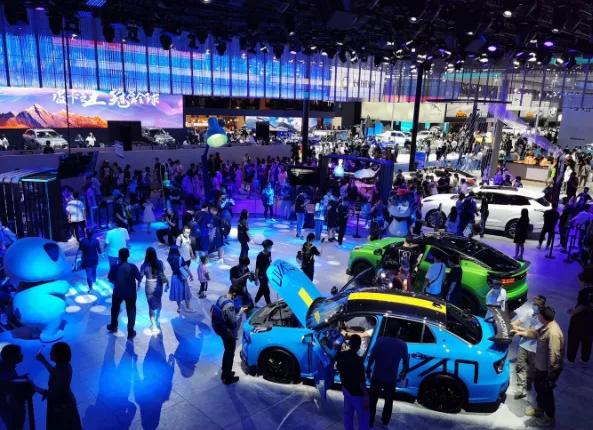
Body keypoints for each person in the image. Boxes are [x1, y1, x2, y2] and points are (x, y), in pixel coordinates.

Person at [512, 306, 564, 428]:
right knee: (539, 390)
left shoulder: (553, 333)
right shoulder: (547, 326)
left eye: (539, 315)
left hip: (547, 371)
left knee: (546, 394)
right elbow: (535, 333)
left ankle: (549, 418)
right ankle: (540, 409)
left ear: (543, 317)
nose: (537, 316)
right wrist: (520, 331)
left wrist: (551, 377)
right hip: (540, 368)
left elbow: (554, 357)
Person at [367, 321, 409, 428]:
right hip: (391, 378)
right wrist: (403, 372)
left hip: (377, 375)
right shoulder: (402, 345)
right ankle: (385, 420)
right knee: (389, 401)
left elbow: (372, 356)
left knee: (373, 400)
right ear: (398, 331)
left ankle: (370, 420)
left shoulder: (380, 341)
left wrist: (368, 369)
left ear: (387, 330)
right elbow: (406, 362)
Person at [35, 342, 82, 430]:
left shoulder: (62, 369)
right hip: (64, 403)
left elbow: (56, 393)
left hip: (62, 407)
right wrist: (43, 360)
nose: (50, 353)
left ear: (58, 355)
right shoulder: (63, 365)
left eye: (52, 351)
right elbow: (54, 372)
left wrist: (34, 388)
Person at [211, 285, 248, 384]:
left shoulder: (222, 297)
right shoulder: (229, 306)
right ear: (234, 294)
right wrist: (240, 312)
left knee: (227, 350)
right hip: (228, 332)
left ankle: (225, 370)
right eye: (238, 296)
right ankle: (227, 377)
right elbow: (233, 322)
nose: (238, 299)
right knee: (230, 352)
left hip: (221, 328)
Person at [512, 296, 547, 399]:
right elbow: (519, 320)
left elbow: (534, 334)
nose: (534, 306)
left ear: (542, 306)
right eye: (534, 303)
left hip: (535, 348)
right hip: (523, 344)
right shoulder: (530, 312)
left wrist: (519, 330)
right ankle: (520, 387)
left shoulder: (544, 318)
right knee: (520, 365)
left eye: (537, 305)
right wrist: (510, 324)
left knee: (531, 369)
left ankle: (528, 382)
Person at [107, 248, 142, 339]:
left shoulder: (114, 267)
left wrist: (117, 282)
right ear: (128, 256)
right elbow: (139, 277)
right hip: (131, 293)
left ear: (119, 256)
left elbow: (110, 279)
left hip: (118, 292)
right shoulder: (133, 267)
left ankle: (113, 326)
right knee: (131, 311)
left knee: (115, 309)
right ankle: (130, 331)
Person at [335, 335, 369, 430]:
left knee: (348, 414)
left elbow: (336, 361)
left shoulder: (341, 355)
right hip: (357, 392)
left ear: (349, 344)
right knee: (363, 416)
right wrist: (366, 395)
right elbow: (361, 380)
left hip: (346, 388)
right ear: (359, 346)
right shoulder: (358, 360)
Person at [0, 344, 33, 430]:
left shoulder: (8, 366)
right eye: (19, 353)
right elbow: (7, 385)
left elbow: (9, 381)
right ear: (11, 356)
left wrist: (20, 379)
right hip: (11, 408)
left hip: (11, 406)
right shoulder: (5, 369)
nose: (21, 355)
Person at [567, 270, 593, 367]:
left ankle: (571, 359)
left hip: (579, 320)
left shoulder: (584, 292)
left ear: (585, 281)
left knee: (574, 339)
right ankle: (585, 358)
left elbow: (583, 306)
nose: (579, 283)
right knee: (588, 340)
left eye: (580, 281)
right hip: (591, 320)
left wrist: (573, 311)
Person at [140, 247, 168, 334]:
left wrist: (138, 285)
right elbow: (163, 273)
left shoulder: (144, 265)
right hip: (158, 285)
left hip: (149, 286)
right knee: (159, 302)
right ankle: (157, 318)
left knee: (150, 306)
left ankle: (154, 325)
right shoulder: (160, 263)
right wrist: (167, 283)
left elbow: (140, 276)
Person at [167, 245, 194, 313]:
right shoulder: (180, 258)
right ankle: (188, 308)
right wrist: (191, 275)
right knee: (186, 293)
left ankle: (179, 308)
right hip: (181, 277)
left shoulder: (169, 259)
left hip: (174, 278)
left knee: (177, 293)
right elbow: (186, 267)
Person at [77, 228, 101, 292]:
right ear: (93, 234)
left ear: (86, 234)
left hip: (86, 260)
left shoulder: (82, 241)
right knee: (94, 270)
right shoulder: (96, 241)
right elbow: (99, 251)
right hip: (94, 259)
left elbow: (80, 250)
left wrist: (78, 258)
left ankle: (90, 288)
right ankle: (94, 280)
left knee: (88, 274)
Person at [255, 239, 273, 305]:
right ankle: (269, 304)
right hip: (261, 275)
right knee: (266, 290)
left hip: (267, 274)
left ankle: (255, 301)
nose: (271, 248)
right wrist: (256, 279)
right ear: (266, 247)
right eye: (270, 246)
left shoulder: (269, 253)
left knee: (262, 289)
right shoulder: (260, 256)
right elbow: (257, 268)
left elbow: (270, 262)